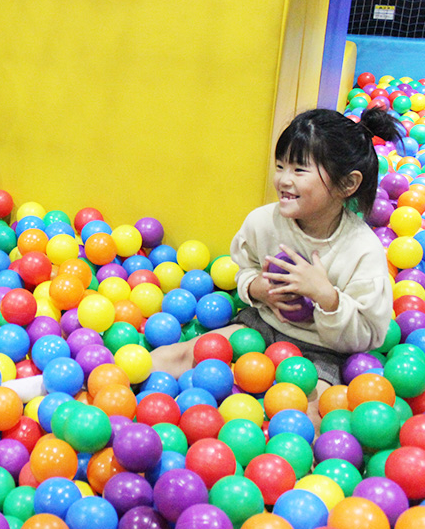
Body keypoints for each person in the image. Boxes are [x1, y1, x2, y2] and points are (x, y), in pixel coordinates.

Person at [151, 107, 403, 419]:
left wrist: (327, 297)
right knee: (184, 353)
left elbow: (369, 333)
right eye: (281, 166)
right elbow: (246, 268)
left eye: (299, 170)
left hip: (321, 351)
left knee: (310, 411)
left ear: (347, 184)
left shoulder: (361, 250)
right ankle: (110, 389)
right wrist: (257, 288)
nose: (283, 179)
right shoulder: (263, 222)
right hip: (260, 326)